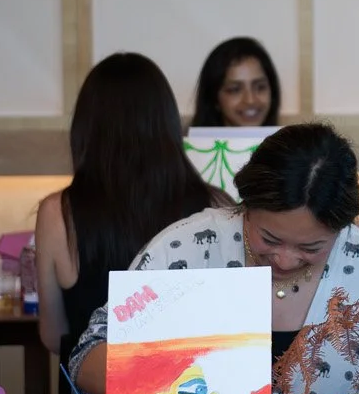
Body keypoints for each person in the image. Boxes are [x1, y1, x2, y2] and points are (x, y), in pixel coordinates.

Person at [68, 121, 359, 394]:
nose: (285, 260)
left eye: (311, 248)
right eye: (269, 238)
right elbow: (87, 359)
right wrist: (168, 380)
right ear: (246, 207)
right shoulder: (187, 249)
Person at [34, 53, 221, 365]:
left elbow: (54, 336)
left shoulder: (57, 213)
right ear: (168, 124)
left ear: (85, 129)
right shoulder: (215, 207)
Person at [190, 35, 283, 128]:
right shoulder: (187, 142)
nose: (250, 100)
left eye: (260, 87)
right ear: (214, 99)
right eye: (235, 90)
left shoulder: (289, 140)